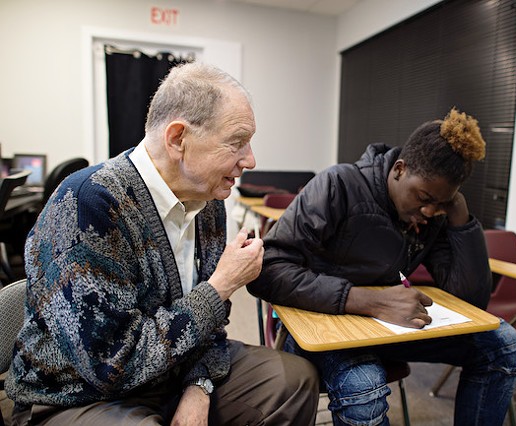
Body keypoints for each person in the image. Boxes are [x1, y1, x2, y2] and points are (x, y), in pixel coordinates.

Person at [6, 62, 319, 426]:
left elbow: (210, 326)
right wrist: (221, 287)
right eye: (236, 142)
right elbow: (110, 366)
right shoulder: (87, 205)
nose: (250, 160)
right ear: (177, 139)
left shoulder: (209, 202)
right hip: (75, 394)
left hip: (172, 370)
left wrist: (198, 386)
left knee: (294, 380)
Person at [248, 108, 516, 425]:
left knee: (502, 343)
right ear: (399, 170)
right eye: (423, 197)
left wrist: (460, 217)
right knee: (364, 385)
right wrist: (371, 301)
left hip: (383, 328)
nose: (429, 210)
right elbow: (267, 271)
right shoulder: (338, 184)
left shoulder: (430, 214)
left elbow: (471, 301)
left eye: (441, 202)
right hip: (319, 324)